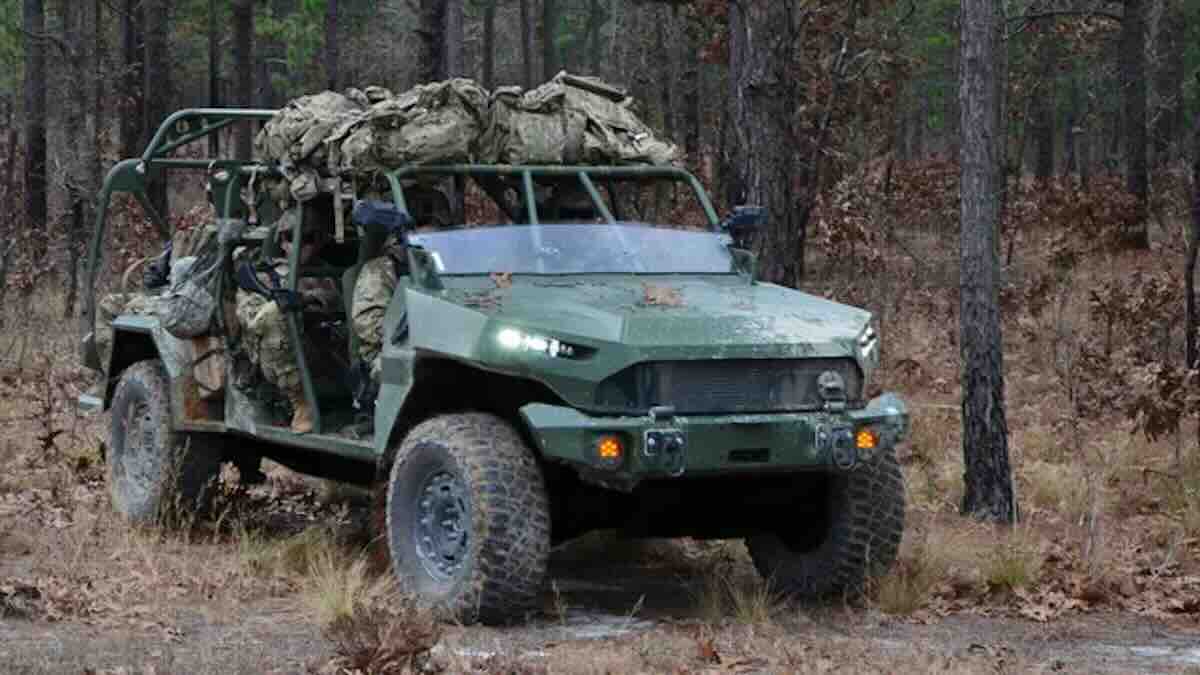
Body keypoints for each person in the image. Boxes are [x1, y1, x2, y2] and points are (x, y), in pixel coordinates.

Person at [235, 206, 339, 433]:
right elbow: (251, 319)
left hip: (321, 346)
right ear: (282, 241)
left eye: (308, 238)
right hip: (275, 356)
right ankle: (300, 403)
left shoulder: (326, 274)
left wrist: (307, 299)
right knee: (273, 317)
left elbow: (337, 303)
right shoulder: (263, 275)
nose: (301, 245)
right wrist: (279, 305)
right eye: (293, 238)